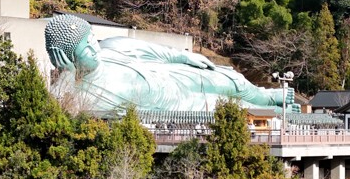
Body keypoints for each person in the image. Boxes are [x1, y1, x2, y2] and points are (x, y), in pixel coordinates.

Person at [45, 15, 296, 117]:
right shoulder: (79, 96)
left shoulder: (111, 47)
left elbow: (155, 51)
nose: (95, 50)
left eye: (92, 40)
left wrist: (185, 57)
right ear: (66, 58)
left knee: (229, 81)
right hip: (174, 106)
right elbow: (57, 114)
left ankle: (271, 95)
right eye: (86, 50)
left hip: (172, 74)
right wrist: (67, 76)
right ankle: (280, 112)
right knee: (233, 108)